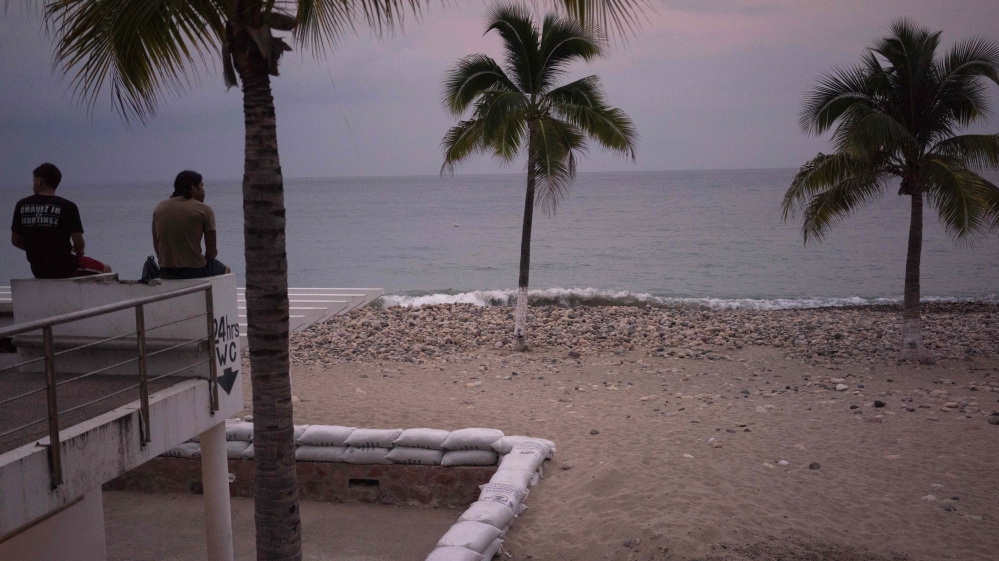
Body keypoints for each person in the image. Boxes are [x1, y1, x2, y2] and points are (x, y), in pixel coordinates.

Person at [10, 163, 112, 279]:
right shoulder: (68, 206)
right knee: (106, 269)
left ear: (39, 181)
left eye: (33, 181)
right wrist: (79, 250)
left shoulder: (22, 205)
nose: (32, 185)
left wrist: (36, 249)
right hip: (65, 268)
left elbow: (15, 241)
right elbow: (78, 243)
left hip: (38, 270)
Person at [152, 170, 230, 279]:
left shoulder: (159, 208)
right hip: (193, 270)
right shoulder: (204, 210)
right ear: (193, 188)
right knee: (226, 270)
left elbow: (157, 246)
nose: (204, 191)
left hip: (166, 271)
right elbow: (211, 252)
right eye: (202, 187)